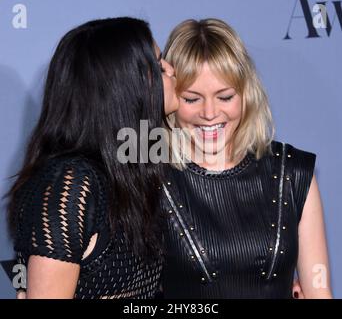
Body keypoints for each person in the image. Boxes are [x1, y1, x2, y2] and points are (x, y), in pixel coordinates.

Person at [160, 18, 332, 298]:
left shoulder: (293, 173)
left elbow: (319, 290)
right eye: (192, 99)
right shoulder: (152, 180)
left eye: (225, 97)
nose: (210, 113)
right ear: (169, 99)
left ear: (246, 94)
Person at [7, 17, 178, 299]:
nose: (172, 70)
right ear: (125, 89)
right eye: (159, 66)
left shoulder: (130, 171)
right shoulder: (71, 184)